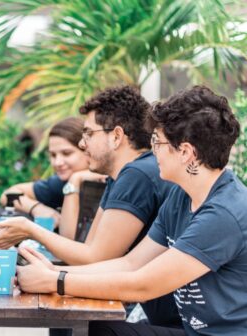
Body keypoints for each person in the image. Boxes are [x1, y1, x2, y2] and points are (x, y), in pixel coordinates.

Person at [17, 85, 247, 336]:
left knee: (96, 331)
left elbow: (144, 285)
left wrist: (57, 281)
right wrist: (54, 273)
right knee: (78, 325)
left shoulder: (224, 213)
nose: (152, 150)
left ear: (185, 152)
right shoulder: (181, 195)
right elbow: (131, 263)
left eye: (157, 142)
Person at [0, 86, 180, 328]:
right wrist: (51, 271)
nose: (83, 144)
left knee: (76, 322)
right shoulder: (122, 175)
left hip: (162, 318)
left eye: (88, 133)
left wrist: (30, 230)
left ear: (116, 136)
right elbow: (90, 251)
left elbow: (95, 258)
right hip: (149, 308)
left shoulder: (137, 175)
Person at [0, 117, 103, 239]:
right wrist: (37, 208)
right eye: (53, 155)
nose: (57, 162)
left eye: (66, 153)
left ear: (87, 150)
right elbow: (8, 195)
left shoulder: (111, 183)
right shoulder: (62, 183)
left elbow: (71, 241)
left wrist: (75, 179)